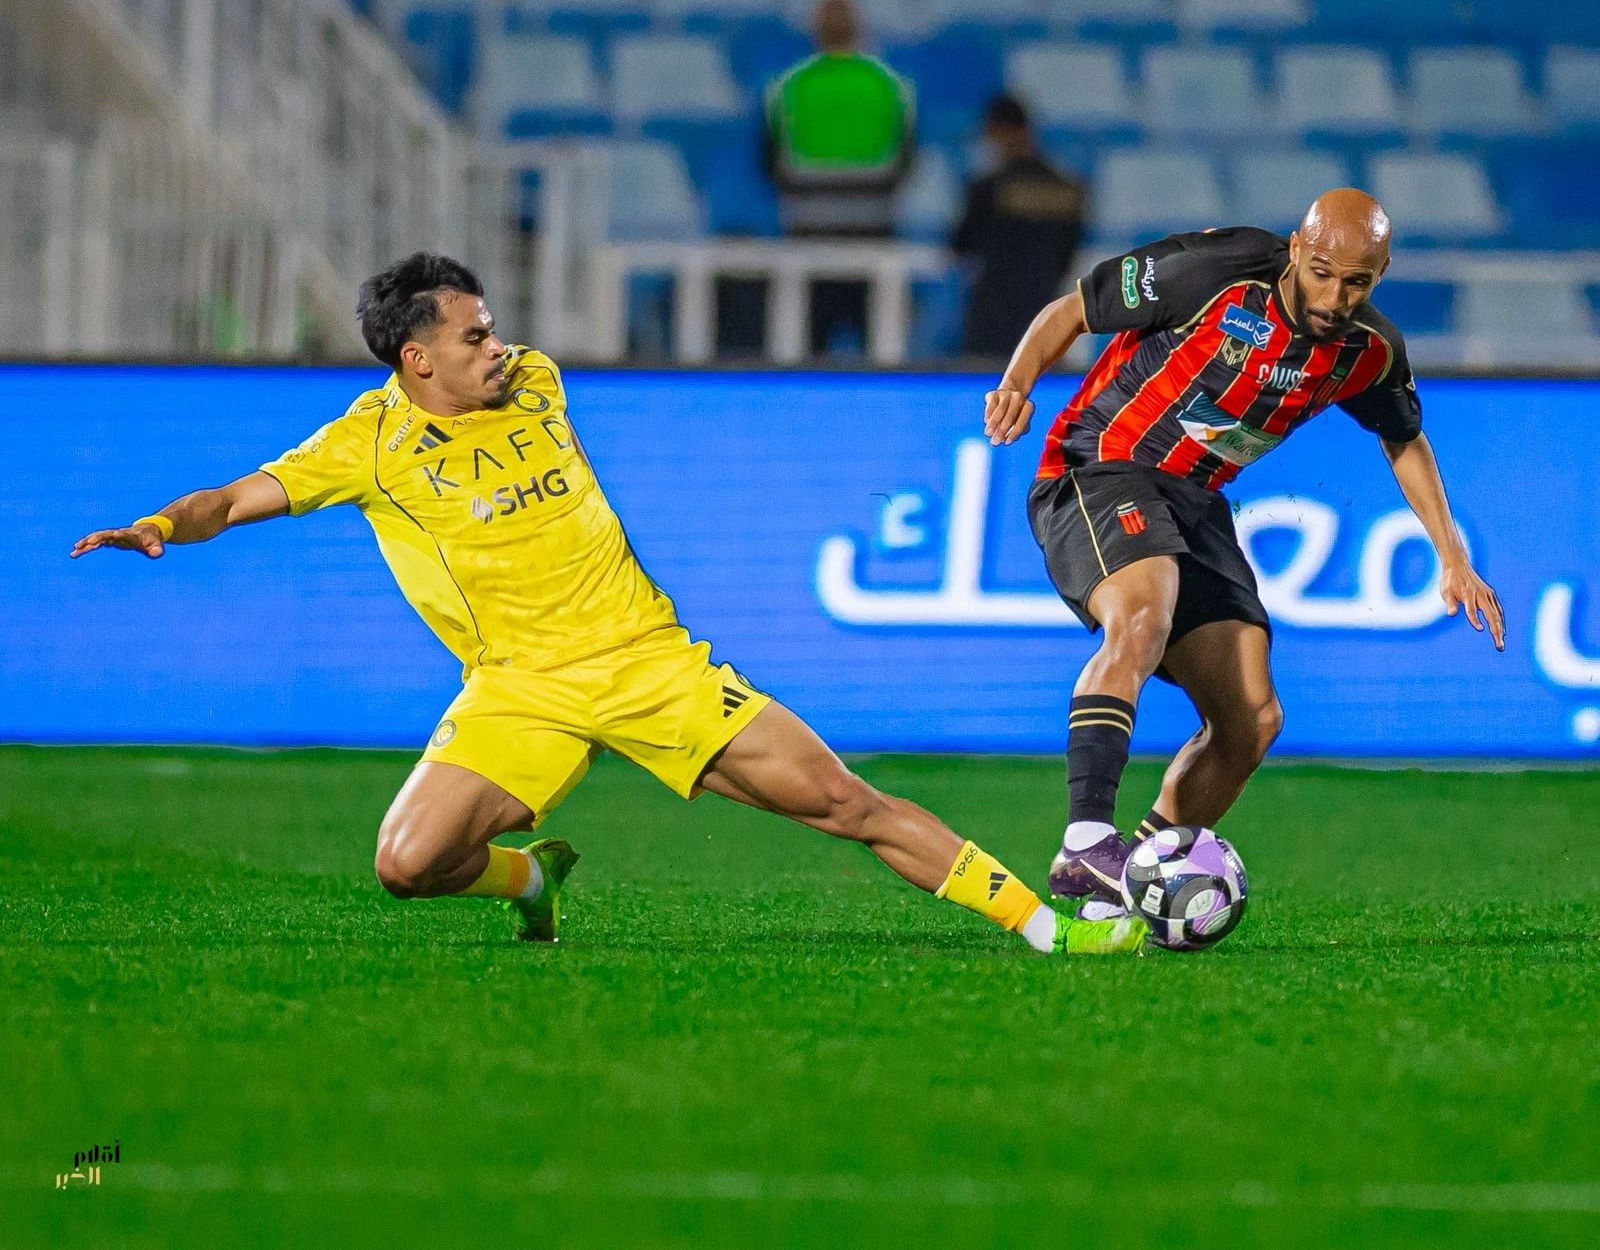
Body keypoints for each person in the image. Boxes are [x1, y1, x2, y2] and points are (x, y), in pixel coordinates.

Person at [73, 252, 1142, 957]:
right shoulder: (367, 445)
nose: (499, 346)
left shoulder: (535, 380)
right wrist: (165, 522)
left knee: (843, 802)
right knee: (406, 864)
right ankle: (528, 879)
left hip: (649, 664)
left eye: (494, 328)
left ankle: (1050, 928)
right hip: (518, 689)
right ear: (416, 358)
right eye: (474, 338)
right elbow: (234, 499)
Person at [980, 192, 1505, 918]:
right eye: (1322, 274)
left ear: (1381, 274)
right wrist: (1016, 383)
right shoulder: (1214, 270)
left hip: (1195, 500)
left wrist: (1453, 556)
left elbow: (1403, 437)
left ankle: (1131, 888)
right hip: (1098, 463)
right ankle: (1086, 839)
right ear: (1296, 248)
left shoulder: (1370, 350)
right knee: (1143, 612)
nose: (1335, 298)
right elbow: (1071, 309)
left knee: (1250, 719)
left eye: (1357, 282)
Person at [762, 0, 916, 355]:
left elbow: (770, 162)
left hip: (807, 236)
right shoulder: (891, 86)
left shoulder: (788, 87)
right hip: (875, 235)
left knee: (809, 349)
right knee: (878, 348)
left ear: (815, 30)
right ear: (858, 28)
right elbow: (907, 161)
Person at [952, 93, 1088, 360]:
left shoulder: (988, 188)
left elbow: (960, 245)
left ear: (996, 132)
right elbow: (1069, 252)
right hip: (1045, 316)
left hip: (991, 318)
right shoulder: (1069, 189)